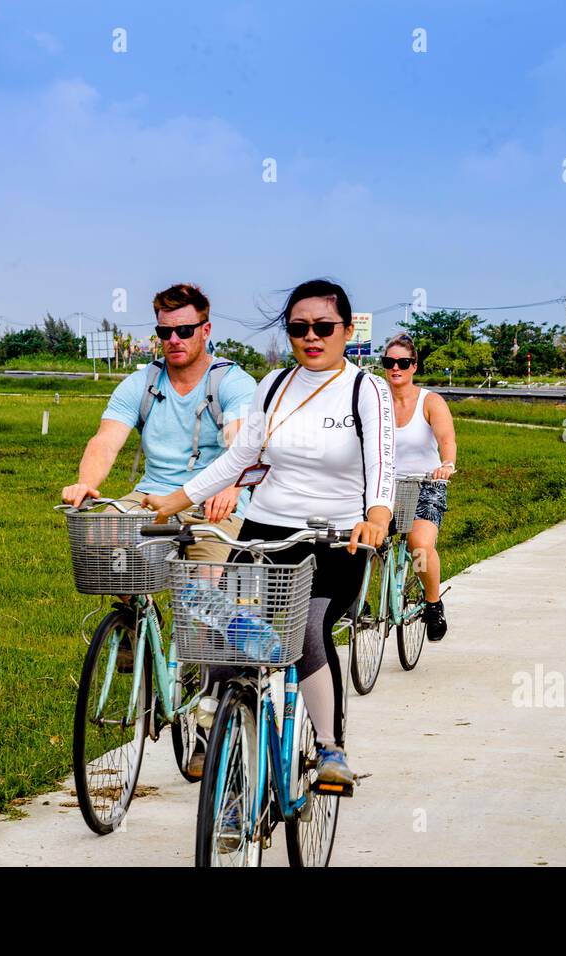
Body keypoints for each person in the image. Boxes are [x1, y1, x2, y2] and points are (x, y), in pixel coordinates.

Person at [142, 279, 394, 787]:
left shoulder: (366, 389)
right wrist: (177, 500)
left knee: (305, 631)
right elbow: (240, 457)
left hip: (336, 538)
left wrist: (378, 518)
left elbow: (382, 465)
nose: (312, 337)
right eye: (299, 328)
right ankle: (220, 719)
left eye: (324, 327)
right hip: (265, 528)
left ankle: (329, 749)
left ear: (346, 329)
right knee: (219, 619)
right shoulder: (275, 384)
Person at [61, 282, 257, 558]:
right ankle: (139, 602)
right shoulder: (142, 383)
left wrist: (231, 488)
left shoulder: (231, 382)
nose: (174, 339)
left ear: (206, 331)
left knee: (209, 581)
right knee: (97, 541)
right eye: (165, 332)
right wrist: (85, 483)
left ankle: (199, 595)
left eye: (185, 331)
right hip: (152, 496)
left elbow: (242, 444)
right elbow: (105, 442)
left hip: (211, 502)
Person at [380, 333, 457, 641]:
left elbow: (447, 440)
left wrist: (446, 465)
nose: (395, 368)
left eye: (402, 362)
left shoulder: (431, 401)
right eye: (389, 362)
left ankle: (433, 602)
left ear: (414, 366)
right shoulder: (376, 400)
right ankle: (355, 604)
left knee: (420, 546)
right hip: (385, 484)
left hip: (426, 483)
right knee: (359, 541)